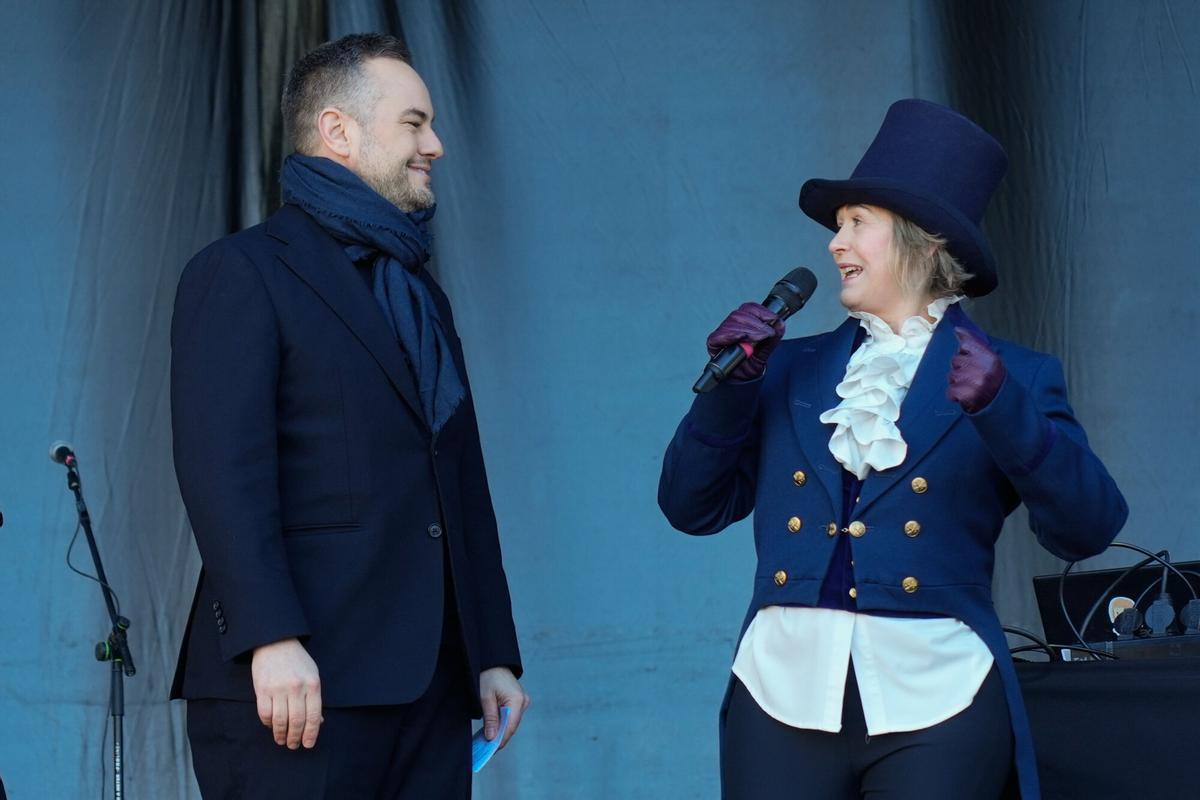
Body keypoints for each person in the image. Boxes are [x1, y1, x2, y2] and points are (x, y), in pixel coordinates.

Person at [658, 99, 1127, 799]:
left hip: (938, 697)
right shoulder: (788, 367)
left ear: (924, 241)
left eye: (855, 224)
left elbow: (1088, 529)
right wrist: (727, 392)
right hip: (779, 691)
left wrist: (1006, 413)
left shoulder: (1016, 376)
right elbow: (689, 507)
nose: (834, 243)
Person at [170, 33, 529, 798]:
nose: (434, 144)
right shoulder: (242, 271)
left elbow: (456, 478)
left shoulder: (417, 293)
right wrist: (270, 635)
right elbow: (221, 470)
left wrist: (490, 649)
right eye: (413, 122)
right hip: (299, 684)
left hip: (428, 685)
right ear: (339, 130)